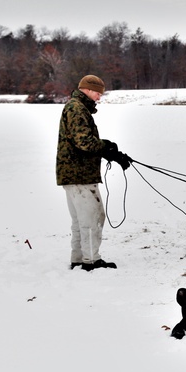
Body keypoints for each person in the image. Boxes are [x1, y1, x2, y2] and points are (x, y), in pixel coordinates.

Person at [55, 74, 132, 271]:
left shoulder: (76, 108)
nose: (99, 97)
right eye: (97, 93)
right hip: (79, 175)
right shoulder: (76, 109)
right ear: (87, 90)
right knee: (93, 217)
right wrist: (108, 148)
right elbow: (85, 142)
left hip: (75, 174)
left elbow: (83, 141)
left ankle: (79, 258)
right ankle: (91, 261)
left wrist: (110, 153)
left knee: (81, 219)